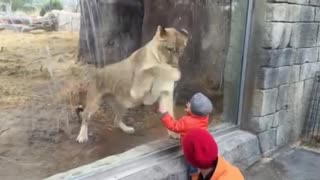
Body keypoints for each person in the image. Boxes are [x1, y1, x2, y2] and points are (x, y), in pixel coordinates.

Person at [158, 92, 213, 180]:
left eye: (190, 104)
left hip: (193, 153)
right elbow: (195, 118)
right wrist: (191, 111)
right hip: (202, 149)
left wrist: (165, 114)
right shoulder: (204, 118)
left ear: (193, 111)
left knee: (193, 170)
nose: (188, 103)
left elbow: (174, 126)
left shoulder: (186, 122)